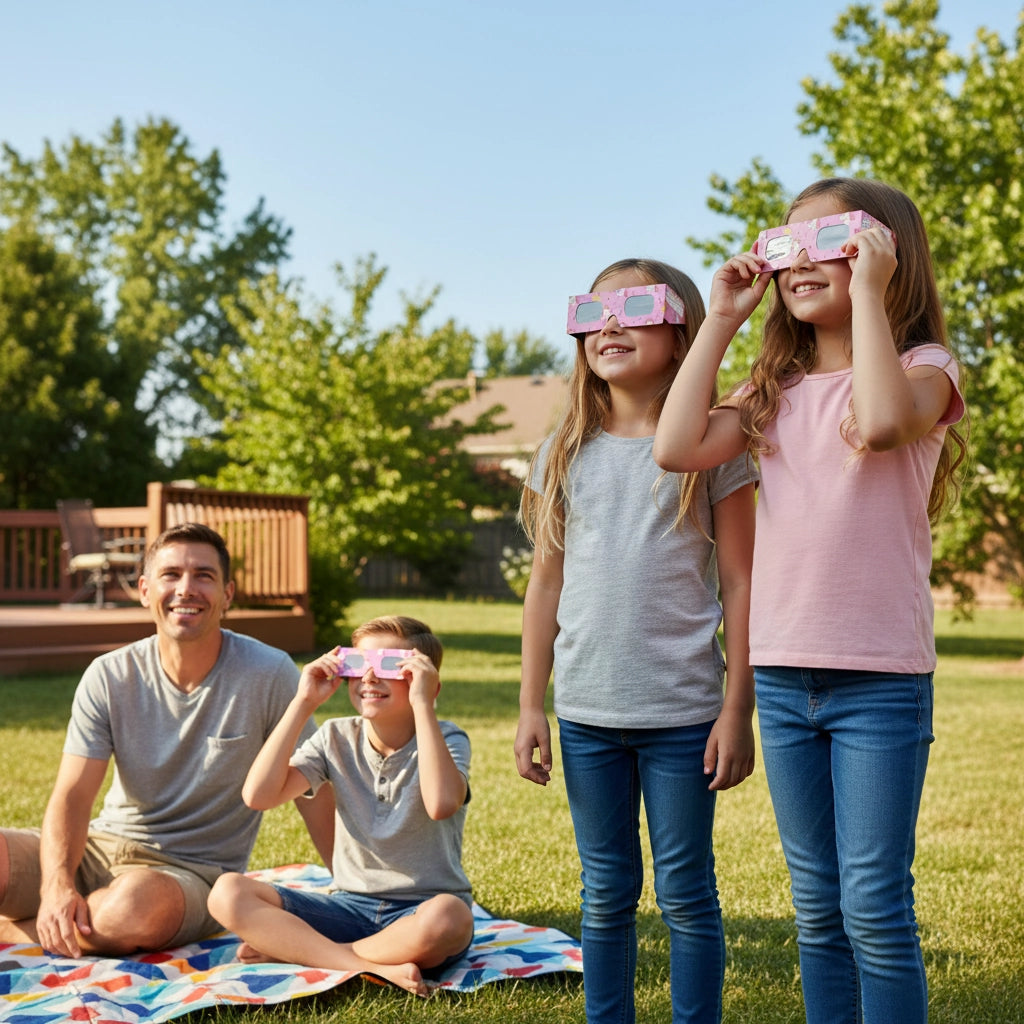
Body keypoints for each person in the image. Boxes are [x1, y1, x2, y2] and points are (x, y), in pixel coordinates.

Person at [652, 178, 968, 1024]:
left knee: (872, 905)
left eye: (833, 242)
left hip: (878, 681)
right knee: (818, 909)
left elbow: (880, 424)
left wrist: (868, 293)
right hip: (786, 677)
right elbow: (676, 446)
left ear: (885, 254)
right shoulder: (771, 393)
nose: (802, 261)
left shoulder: (924, 370)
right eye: (788, 245)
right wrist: (719, 320)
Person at [514, 258, 758, 1024]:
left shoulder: (717, 449)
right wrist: (530, 707)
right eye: (595, 311)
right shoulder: (561, 448)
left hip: (685, 715)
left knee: (687, 894)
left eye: (635, 308)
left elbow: (743, 585)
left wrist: (735, 708)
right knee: (605, 892)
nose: (610, 325)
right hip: (586, 716)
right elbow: (544, 587)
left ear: (681, 327)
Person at [0, 522, 333, 958]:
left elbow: (311, 789)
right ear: (144, 590)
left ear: (227, 595)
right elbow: (73, 794)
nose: (186, 588)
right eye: (171, 574)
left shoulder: (268, 673)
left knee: (132, 910)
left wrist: (351, 890)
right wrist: (58, 884)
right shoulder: (110, 674)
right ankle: (63, 920)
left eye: (204, 576)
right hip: (100, 847)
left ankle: (20, 932)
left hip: (188, 877)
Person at [207, 615, 473, 998]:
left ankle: (300, 952)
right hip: (347, 908)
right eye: (358, 665)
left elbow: (441, 804)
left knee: (450, 917)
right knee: (226, 892)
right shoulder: (335, 736)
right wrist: (302, 702)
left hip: (419, 913)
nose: (368, 678)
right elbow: (258, 796)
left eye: (388, 666)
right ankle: (364, 964)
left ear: (426, 682)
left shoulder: (447, 737)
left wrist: (423, 706)